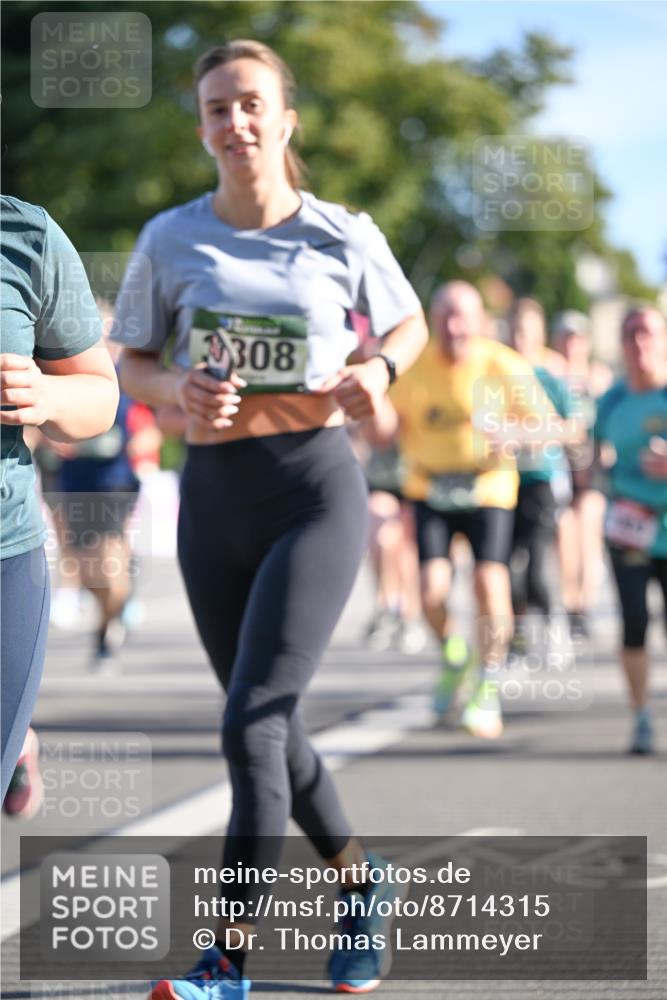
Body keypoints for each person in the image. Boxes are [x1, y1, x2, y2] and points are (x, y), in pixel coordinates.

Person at [110, 40, 428, 999]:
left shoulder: (341, 232)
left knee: (250, 722)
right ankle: (362, 889)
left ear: (285, 119)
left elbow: (405, 322)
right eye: (215, 109)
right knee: (272, 727)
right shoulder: (169, 238)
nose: (234, 123)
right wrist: (175, 390)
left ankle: (225, 959)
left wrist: (376, 369)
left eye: (250, 104)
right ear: (202, 127)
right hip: (214, 499)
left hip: (312, 491)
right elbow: (128, 361)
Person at [377, 281, 558, 740]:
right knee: (431, 590)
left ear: (478, 321)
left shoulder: (501, 363)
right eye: (446, 316)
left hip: (488, 486)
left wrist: (515, 436)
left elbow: (550, 427)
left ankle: (488, 683)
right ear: (433, 321)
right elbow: (385, 430)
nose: (455, 326)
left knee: (488, 580)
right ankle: (455, 654)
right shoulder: (415, 366)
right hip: (430, 487)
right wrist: (368, 388)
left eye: (463, 316)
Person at [1, 195, 118, 803]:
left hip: (3, 553)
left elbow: (100, 394)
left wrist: (46, 395)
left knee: (107, 563)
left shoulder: (26, 236)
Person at [594, 304, 667, 755]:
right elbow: (589, 449)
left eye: (647, 334)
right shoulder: (613, 400)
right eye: (631, 335)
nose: (639, 344)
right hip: (628, 527)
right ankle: (641, 715)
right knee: (634, 620)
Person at [507, 299, 578, 657]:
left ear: (539, 335)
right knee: (504, 564)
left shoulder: (551, 379)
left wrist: (538, 434)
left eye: (527, 331)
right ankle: (515, 638)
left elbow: (576, 430)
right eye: (515, 331)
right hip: (505, 481)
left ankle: (554, 624)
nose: (521, 339)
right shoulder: (497, 375)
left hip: (542, 479)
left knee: (535, 563)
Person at [552, 309, 613, 637]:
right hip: (561, 470)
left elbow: (608, 428)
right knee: (566, 533)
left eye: (577, 338)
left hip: (593, 469)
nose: (571, 345)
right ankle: (571, 603)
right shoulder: (550, 374)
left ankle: (584, 605)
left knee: (588, 527)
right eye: (566, 337)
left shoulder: (599, 377)